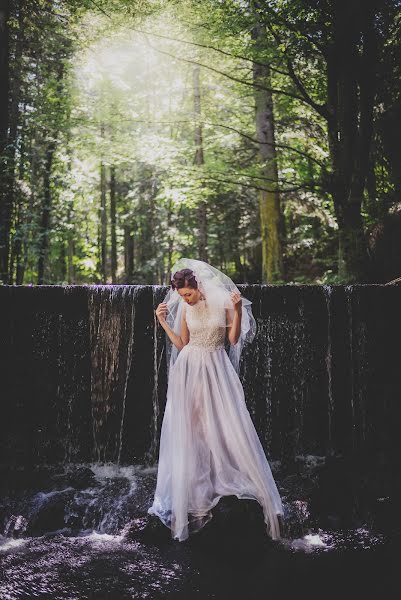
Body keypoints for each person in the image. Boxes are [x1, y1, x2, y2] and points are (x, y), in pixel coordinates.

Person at [147, 258, 284, 542]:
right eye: (181, 296)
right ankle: (197, 480)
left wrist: (235, 308)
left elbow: (233, 339)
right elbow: (182, 343)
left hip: (216, 365)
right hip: (189, 368)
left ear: (197, 286)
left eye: (188, 294)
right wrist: (162, 322)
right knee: (193, 424)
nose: (184, 299)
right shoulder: (185, 307)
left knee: (224, 421)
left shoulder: (222, 299)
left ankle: (227, 472)